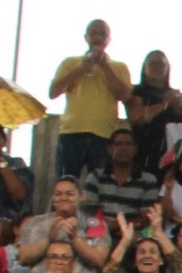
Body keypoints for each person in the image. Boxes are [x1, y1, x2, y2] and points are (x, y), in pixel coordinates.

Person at [50, 19, 131, 180]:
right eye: (94, 33)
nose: (98, 37)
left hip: (104, 136)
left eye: (103, 34)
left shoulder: (119, 67)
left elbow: (125, 96)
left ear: (109, 40)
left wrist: (104, 66)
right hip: (71, 134)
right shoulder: (70, 62)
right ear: (86, 37)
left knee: (101, 186)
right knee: (65, 183)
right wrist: (80, 68)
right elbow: (53, 92)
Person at [81, 128, 158, 223]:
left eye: (128, 144)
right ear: (109, 149)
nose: (123, 148)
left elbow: (146, 218)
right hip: (100, 233)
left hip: (135, 234)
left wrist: (115, 226)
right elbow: (89, 212)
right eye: (118, 144)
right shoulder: (95, 176)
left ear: (135, 149)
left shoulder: (148, 179)